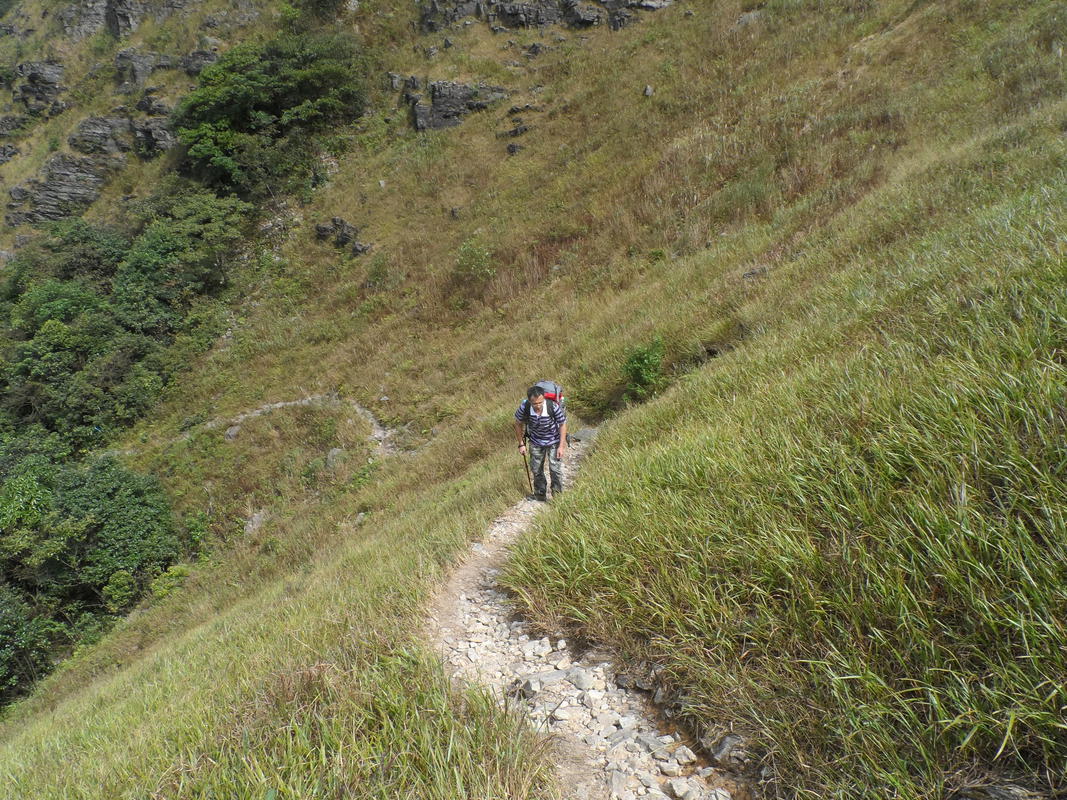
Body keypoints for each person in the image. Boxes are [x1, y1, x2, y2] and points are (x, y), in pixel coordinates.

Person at [514, 385, 567, 501]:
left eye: (540, 402)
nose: (538, 406)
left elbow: (562, 424)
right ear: (529, 401)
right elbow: (518, 423)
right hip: (536, 441)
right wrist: (521, 444)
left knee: (555, 469)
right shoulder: (525, 407)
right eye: (535, 403)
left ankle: (558, 497)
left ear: (544, 399)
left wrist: (561, 446)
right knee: (536, 469)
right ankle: (540, 495)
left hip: (554, 441)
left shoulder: (552, 406)